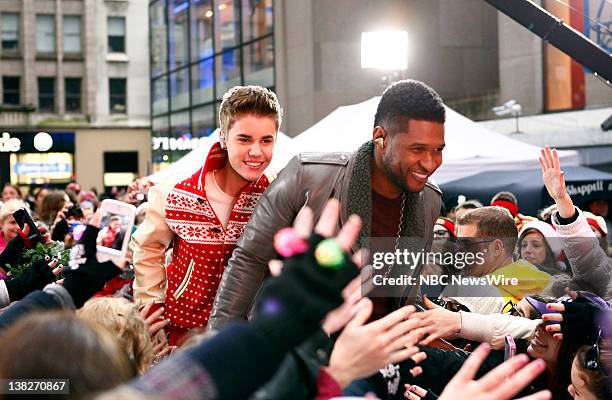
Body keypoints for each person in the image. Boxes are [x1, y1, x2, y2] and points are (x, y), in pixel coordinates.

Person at [209, 79, 446, 329]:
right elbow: (249, 261)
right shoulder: (306, 175)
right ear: (380, 138)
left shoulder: (430, 199)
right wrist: (218, 353)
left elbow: (405, 290)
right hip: (300, 350)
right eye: (418, 149)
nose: (430, 163)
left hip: (384, 353)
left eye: (438, 149)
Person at [132, 85, 282, 345]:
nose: (256, 152)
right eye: (244, 139)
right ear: (223, 137)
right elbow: (148, 248)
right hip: (183, 333)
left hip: (252, 334)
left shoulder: (279, 193)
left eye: (266, 140)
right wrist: (151, 307)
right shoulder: (174, 192)